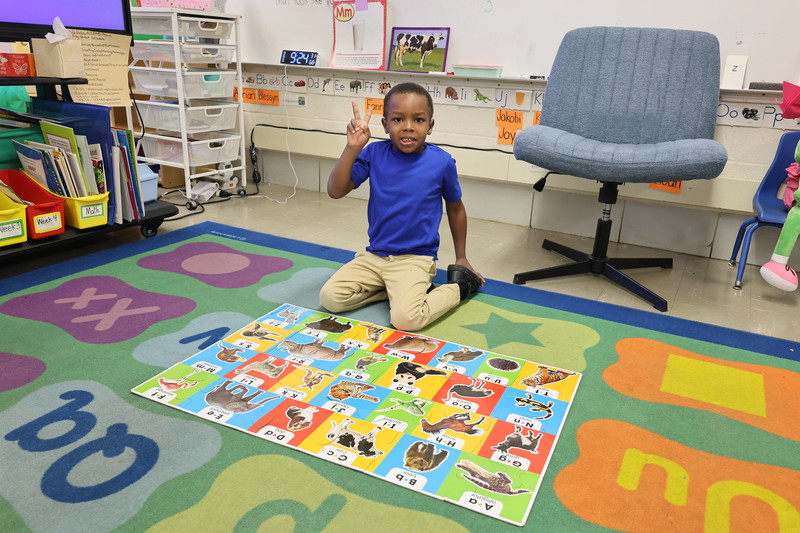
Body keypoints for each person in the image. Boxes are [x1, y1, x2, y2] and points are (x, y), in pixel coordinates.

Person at [319, 82, 484, 331]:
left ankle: (461, 288)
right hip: (375, 256)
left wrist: (461, 257)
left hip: (415, 259)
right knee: (330, 298)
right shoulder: (373, 153)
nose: (408, 126)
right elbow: (336, 191)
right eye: (397, 119)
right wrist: (352, 148)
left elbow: (456, 208)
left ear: (430, 125)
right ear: (385, 124)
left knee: (406, 320)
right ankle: (394, 291)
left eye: (418, 120)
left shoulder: (442, 162)